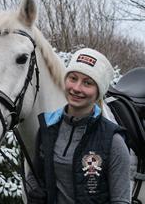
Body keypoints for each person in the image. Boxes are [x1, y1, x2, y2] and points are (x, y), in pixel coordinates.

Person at [26, 48, 131, 204]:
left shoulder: (113, 141)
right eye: (73, 78)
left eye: (87, 83)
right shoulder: (47, 128)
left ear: (98, 92)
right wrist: (34, 191)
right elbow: (34, 176)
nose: (76, 88)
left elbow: (121, 200)